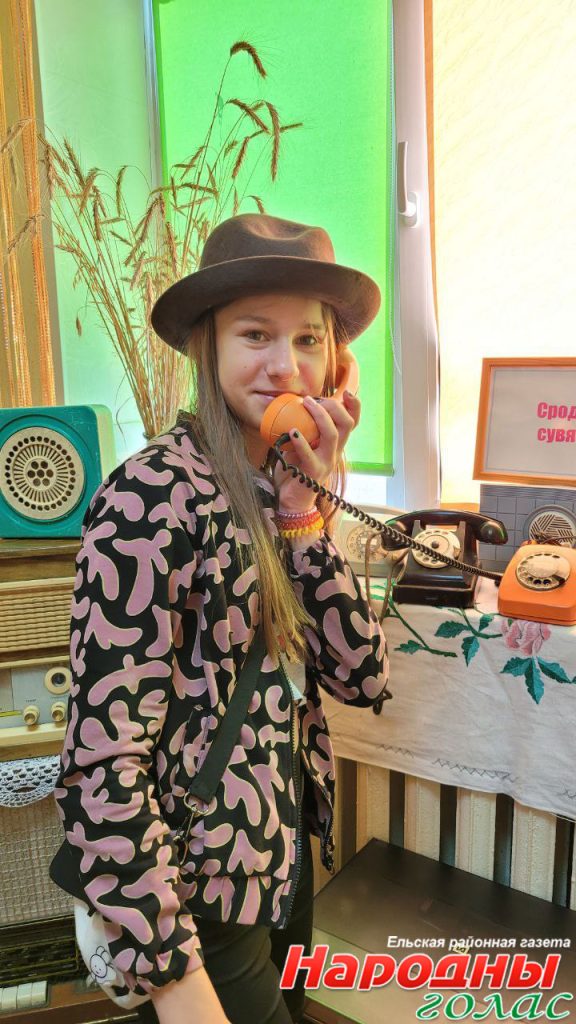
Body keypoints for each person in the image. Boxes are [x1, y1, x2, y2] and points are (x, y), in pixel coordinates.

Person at [49, 213, 390, 1024]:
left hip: (280, 855)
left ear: (336, 362)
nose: (287, 366)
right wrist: (173, 976)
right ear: (208, 345)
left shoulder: (286, 486)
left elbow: (362, 674)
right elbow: (102, 760)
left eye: (308, 340)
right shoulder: (149, 498)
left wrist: (305, 516)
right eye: (256, 335)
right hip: (191, 888)